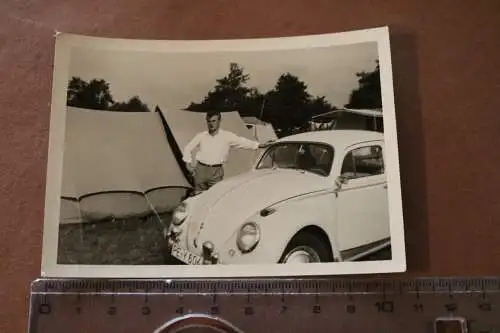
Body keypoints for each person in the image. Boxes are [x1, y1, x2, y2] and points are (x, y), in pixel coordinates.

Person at [182, 110, 268, 195]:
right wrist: (188, 164)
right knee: (198, 196)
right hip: (201, 169)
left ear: (219, 121)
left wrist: (259, 145)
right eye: (209, 121)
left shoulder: (227, 136)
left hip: (216, 171)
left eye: (214, 121)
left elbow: (242, 142)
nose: (211, 124)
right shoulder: (201, 136)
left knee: (215, 196)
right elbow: (187, 148)